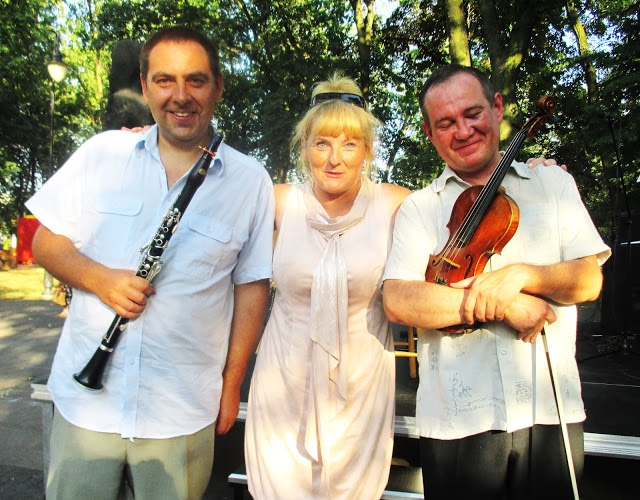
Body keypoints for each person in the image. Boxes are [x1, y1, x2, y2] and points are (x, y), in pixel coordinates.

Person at [26, 26, 274, 500]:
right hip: (87, 407)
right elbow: (45, 243)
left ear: (218, 87)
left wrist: (231, 385)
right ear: (145, 86)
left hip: (181, 409)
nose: (180, 96)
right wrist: (100, 279)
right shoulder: (103, 153)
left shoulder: (250, 181)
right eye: (164, 80)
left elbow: (252, 287)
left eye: (196, 80)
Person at [382, 64, 611, 499]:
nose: (463, 130)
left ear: (498, 108)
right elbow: (399, 299)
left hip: (548, 410)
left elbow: (589, 280)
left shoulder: (553, 183)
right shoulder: (420, 207)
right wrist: (504, 305)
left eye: (472, 114)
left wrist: (523, 275)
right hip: (457, 421)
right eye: (445, 123)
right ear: (430, 134)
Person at [244, 73, 411, 499]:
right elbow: (210, 211)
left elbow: (464, 220)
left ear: (367, 150)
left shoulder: (396, 204)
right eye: (322, 143)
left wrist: (530, 174)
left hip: (361, 389)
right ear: (305, 147)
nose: (335, 158)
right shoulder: (278, 201)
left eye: (349, 144)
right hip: (284, 388)